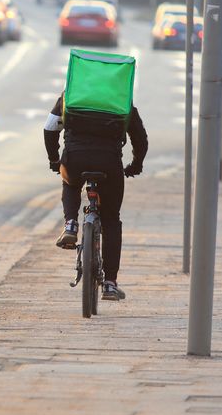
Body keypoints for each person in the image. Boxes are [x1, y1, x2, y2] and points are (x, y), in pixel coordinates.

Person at [43, 93, 148, 301]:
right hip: (109, 164)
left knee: (70, 182)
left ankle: (71, 224)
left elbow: (50, 128)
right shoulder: (121, 99)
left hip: (75, 159)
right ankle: (109, 284)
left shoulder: (70, 95)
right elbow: (140, 138)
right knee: (111, 220)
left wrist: (54, 159)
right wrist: (136, 165)